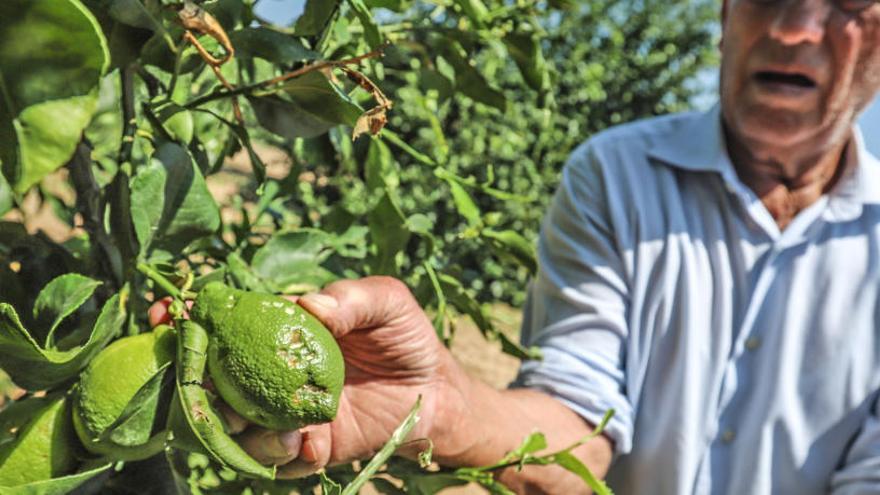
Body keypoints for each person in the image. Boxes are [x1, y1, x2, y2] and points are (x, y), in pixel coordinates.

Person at [151, 0, 880, 493]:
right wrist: (441, 410)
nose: (792, 29)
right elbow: (582, 423)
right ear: (724, 14)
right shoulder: (616, 173)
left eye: (844, 2)